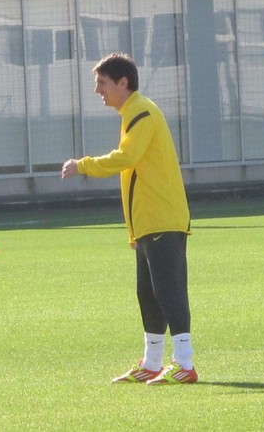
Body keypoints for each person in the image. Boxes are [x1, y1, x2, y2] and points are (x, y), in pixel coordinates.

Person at [61, 53, 197, 385]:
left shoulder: (142, 111)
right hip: (147, 222)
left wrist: (84, 165)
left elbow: (127, 157)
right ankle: (152, 362)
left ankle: (185, 363)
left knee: (168, 290)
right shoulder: (131, 113)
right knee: (147, 292)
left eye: (102, 83)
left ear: (124, 83)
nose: (98, 91)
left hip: (162, 217)